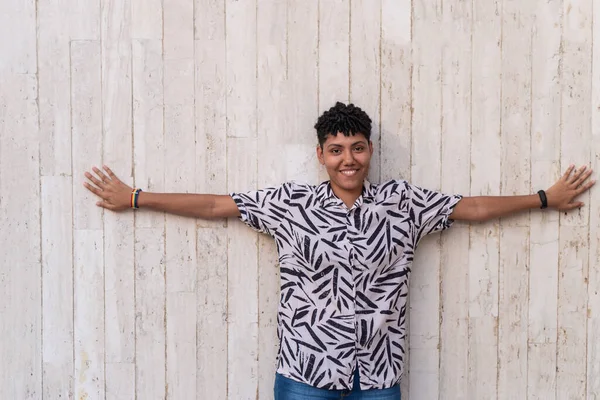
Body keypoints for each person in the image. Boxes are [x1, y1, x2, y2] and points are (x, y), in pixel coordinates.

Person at [84, 102, 595, 400]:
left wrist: (546, 198)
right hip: (306, 370)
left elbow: (474, 208)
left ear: (369, 149)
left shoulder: (404, 203)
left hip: (378, 374)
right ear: (321, 155)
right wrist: (134, 198)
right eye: (336, 150)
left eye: (356, 147)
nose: (347, 159)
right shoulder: (291, 203)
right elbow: (218, 203)